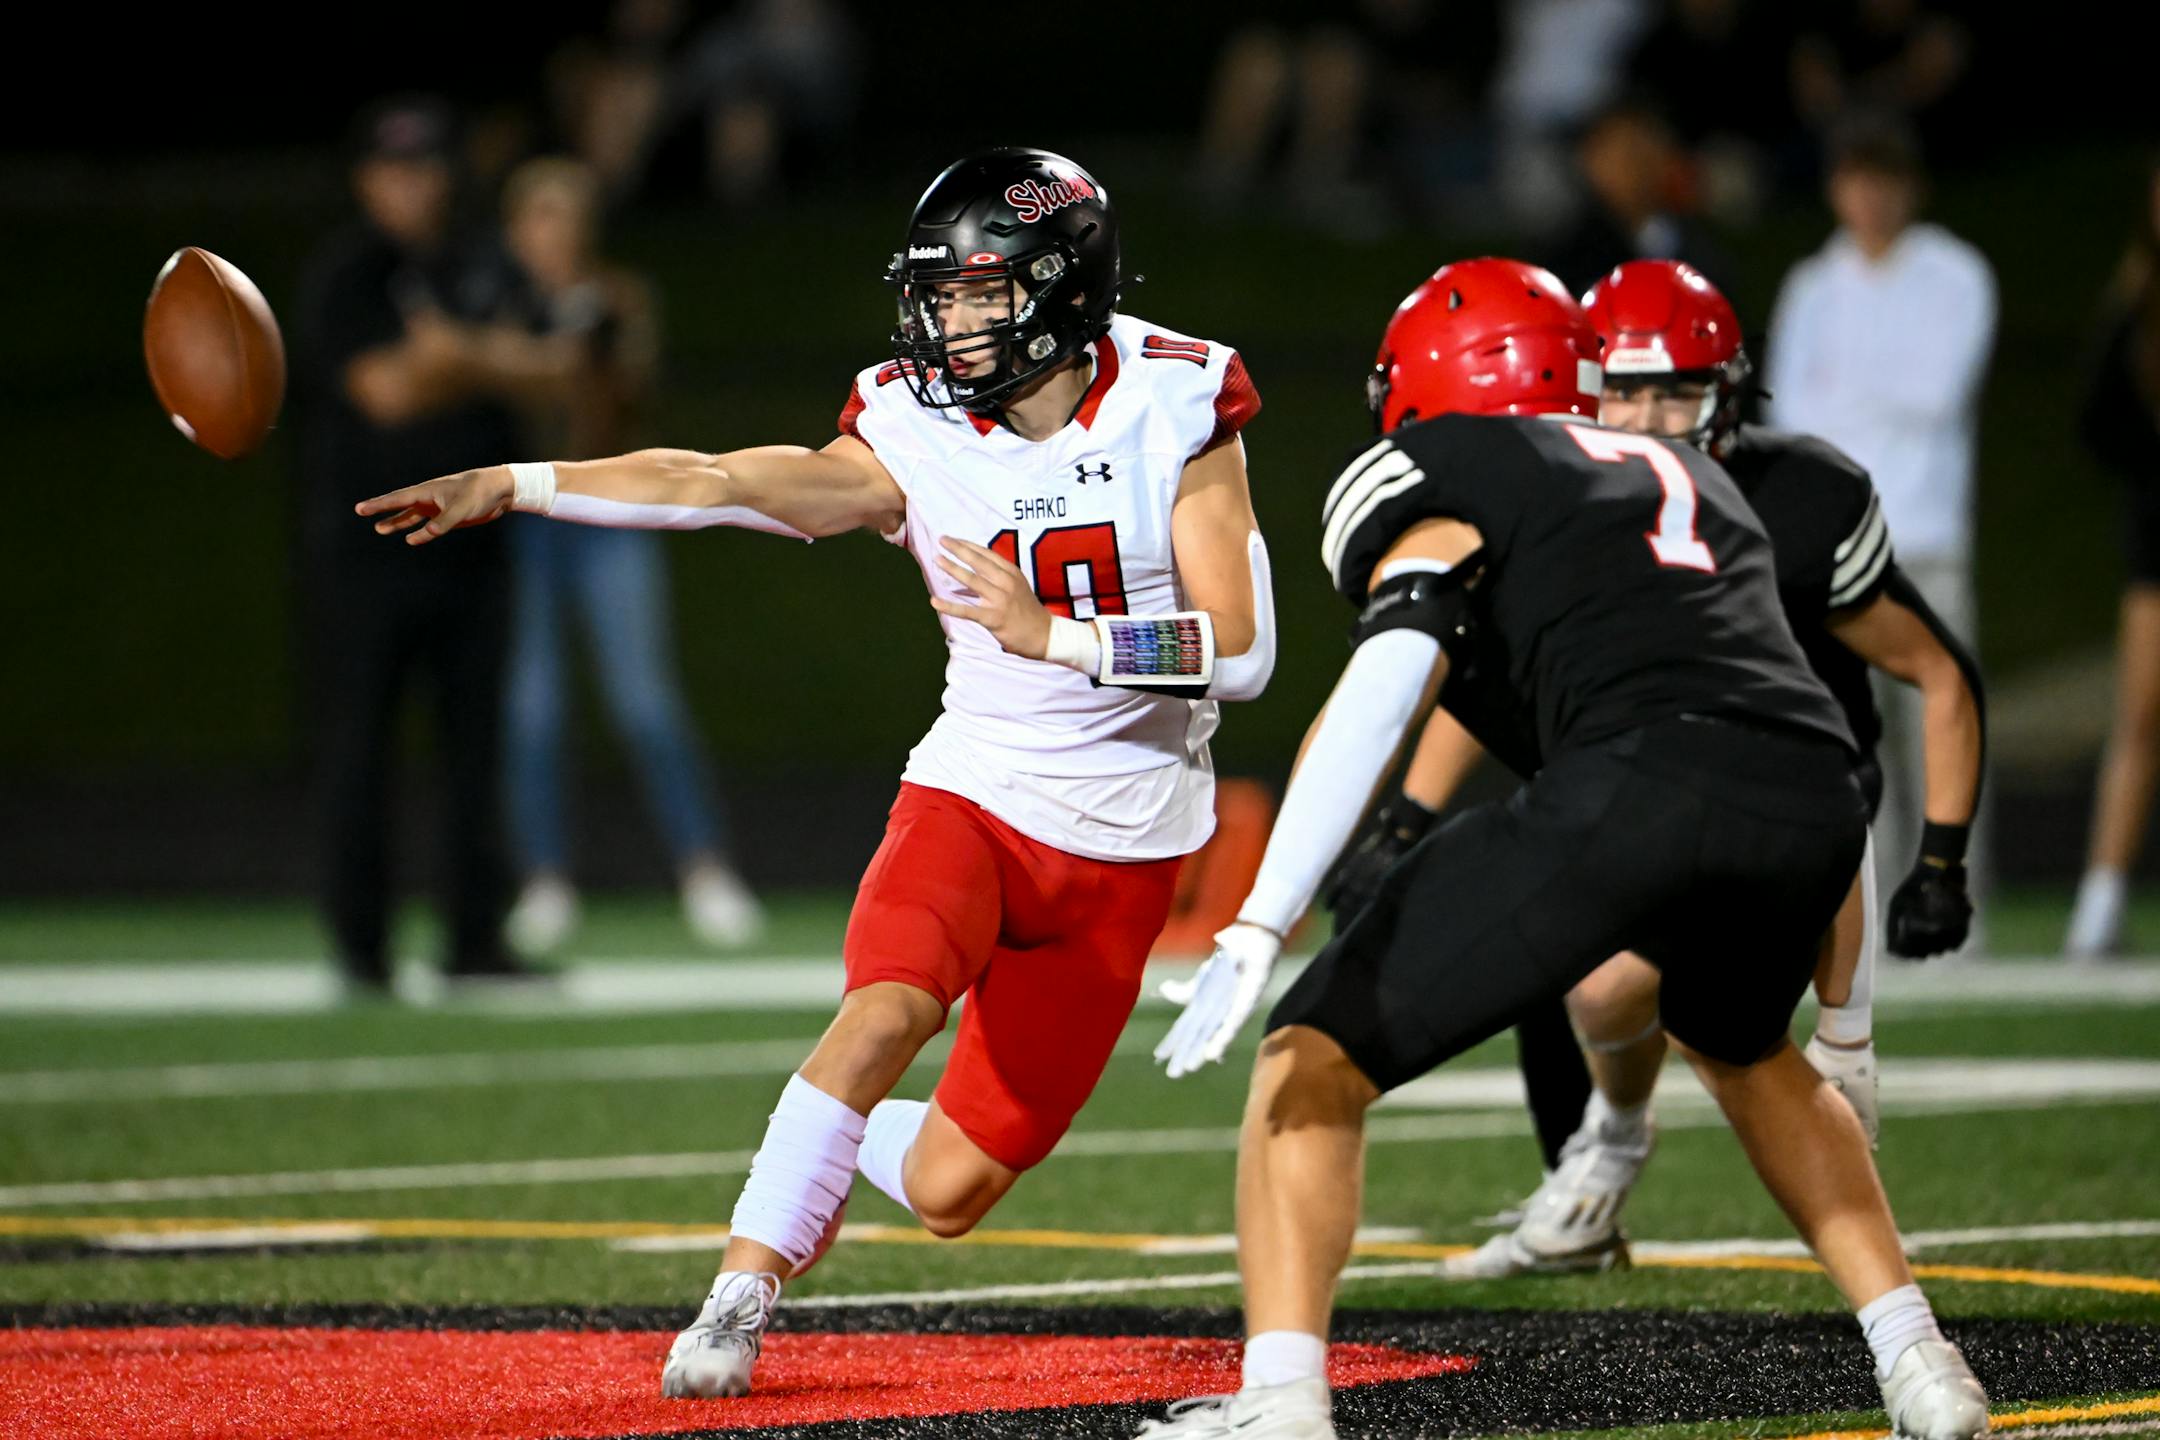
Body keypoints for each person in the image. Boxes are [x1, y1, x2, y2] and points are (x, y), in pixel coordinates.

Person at [354, 148, 1274, 1401]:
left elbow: (1243, 648)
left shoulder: (1176, 397)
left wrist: (1052, 634)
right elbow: (715, 479)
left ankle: (831, 1150)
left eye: (976, 293)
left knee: (952, 1192)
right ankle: (738, 1295)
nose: (947, 321)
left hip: (1130, 844)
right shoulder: (910, 421)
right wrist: (520, 484)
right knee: (884, 1010)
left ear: (1061, 290)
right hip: (977, 790)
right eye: (938, 294)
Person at [1135, 258, 1988, 1440]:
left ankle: (1280, 1402)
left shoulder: (1451, 469)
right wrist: (1845, 1020)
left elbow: (1395, 673)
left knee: (1308, 1061)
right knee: (1749, 1051)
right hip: (1813, 803)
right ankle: (1921, 1365)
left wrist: (1259, 918)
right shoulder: (1699, 482)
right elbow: (1799, 736)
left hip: (1643, 780)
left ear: (1434, 382)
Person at [1349, 260, 1984, 1281]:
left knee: (1735, 1041)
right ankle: (1603, 1158)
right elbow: (1484, 671)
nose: (1645, 417)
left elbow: (1935, 672)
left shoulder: (1797, 500)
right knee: (1572, 972)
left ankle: (1860, 1227)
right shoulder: (1557, 498)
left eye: (1675, 389)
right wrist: (1407, 815)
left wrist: (1943, 858)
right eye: (1624, 387)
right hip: (1641, 781)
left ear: (1729, 392)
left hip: (1804, 807)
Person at [294, 97, 558, 995]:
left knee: (477, 751)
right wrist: (493, 359)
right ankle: (362, 950)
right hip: (364, 554)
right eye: (393, 167)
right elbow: (388, 392)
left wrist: (457, 355)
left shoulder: (483, 262)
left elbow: (564, 372)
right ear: (366, 176)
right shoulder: (347, 275)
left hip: (475, 551)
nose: (410, 184)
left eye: (426, 165)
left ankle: (474, 940)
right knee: (359, 751)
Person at [495, 157, 764, 952]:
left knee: (645, 700)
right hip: (523, 523)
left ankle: (706, 869)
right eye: (541, 218)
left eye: (568, 220)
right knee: (532, 710)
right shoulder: (497, 303)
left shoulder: (617, 298)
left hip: (607, 518)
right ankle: (543, 881)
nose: (555, 236)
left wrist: (588, 350)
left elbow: (627, 398)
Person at [1766, 116, 1995, 924]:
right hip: (1839, 545)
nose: (1871, 197)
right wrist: (1862, 401)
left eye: (1886, 178)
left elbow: (1937, 392)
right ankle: (1871, 918)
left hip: (1926, 535)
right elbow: (1797, 412)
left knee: (1946, 721)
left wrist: (1849, 396)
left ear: (1911, 187)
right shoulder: (1811, 285)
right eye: (1858, 178)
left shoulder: (1957, 275)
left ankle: (1954, 905)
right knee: (1855, 742)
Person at [2066, 157, 2160, 960]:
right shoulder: (2135, 305)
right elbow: (2096, 422)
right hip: (2155, 543)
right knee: (2139, 720)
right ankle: (2099, 904)